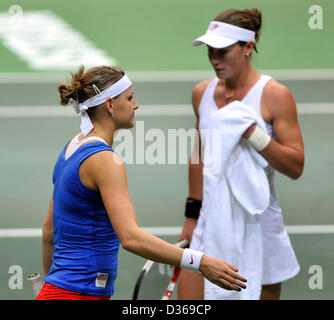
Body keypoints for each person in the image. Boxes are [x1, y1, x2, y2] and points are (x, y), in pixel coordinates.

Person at [36, 65, 247, 300]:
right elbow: (131, 238)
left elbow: (48, 231)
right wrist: (201, 262)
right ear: (110, 105)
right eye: (129, 97)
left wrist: (49, 284)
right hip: (80, 295)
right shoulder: (105, 161)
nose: (136, 104)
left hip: (56, 291)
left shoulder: (71, 148)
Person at [178, 8, 304, 300]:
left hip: (259, 221)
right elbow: (199, 154)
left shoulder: (275, 95)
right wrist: (191, 215)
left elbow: (295, 165)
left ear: (248, 47)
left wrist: (253, 134)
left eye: (223, 51)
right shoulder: (202, 93)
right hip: (210, 217)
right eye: (210, 51)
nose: (214, 59)